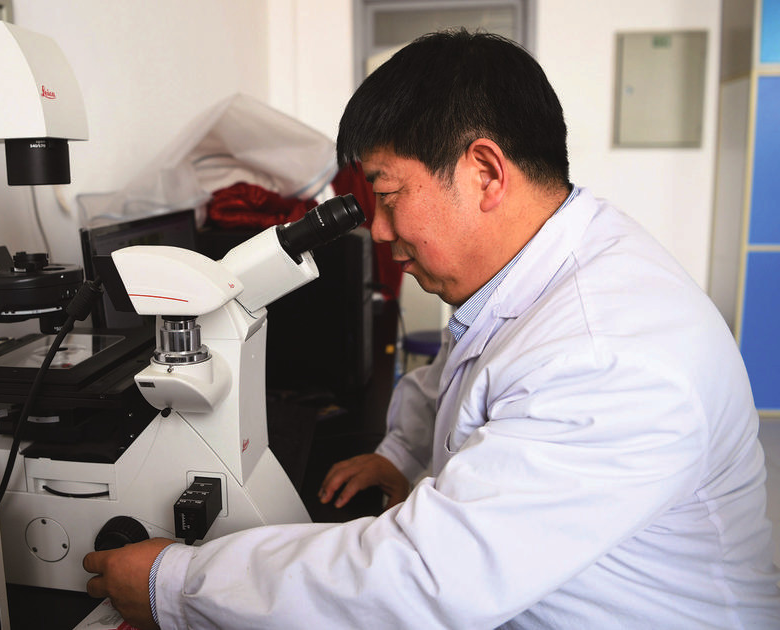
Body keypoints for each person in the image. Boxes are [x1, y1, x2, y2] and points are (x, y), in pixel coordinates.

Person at [82, 29, 780, 628]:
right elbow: (456, 373)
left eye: (387, 195)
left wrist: (176, 585)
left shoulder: (609, 356)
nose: (381, 232)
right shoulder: (535, 270)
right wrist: (401, 454)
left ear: (485, 172)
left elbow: (422, 580)